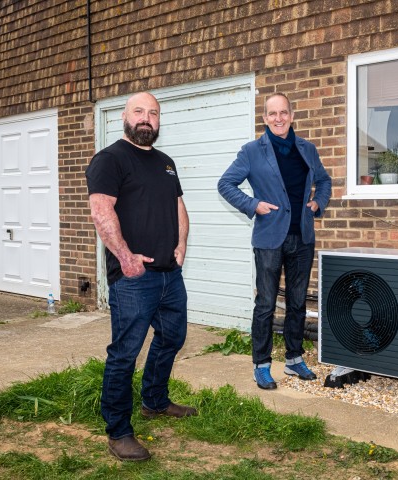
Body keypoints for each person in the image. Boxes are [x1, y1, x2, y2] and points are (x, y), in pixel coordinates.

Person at [86, 92, 197, 462]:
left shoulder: (166, 162)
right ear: (125, 117)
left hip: (170, 274)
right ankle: (118, 431)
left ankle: (154, 401)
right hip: (134, 278)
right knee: (125, 353)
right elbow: (101, 211)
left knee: (172, 337)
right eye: (139, 111)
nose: (146, 118)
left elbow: (178, 206)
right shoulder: (110, 159)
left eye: (153, 113)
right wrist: (125, 256)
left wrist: (181, 243)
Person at [218, 93, 332, 390]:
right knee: (266, 304)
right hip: (269, 237)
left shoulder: (307, 149)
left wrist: (318, 203)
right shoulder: (253, 151)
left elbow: (325, 181)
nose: (278, 118)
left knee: (297, 303)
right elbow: (226, 184)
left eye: (283, 112)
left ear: (291, 115)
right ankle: (262, 364)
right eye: (272, 114)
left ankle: (294, 360)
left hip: (302, 236)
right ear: (265, 118)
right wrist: (253, 204)